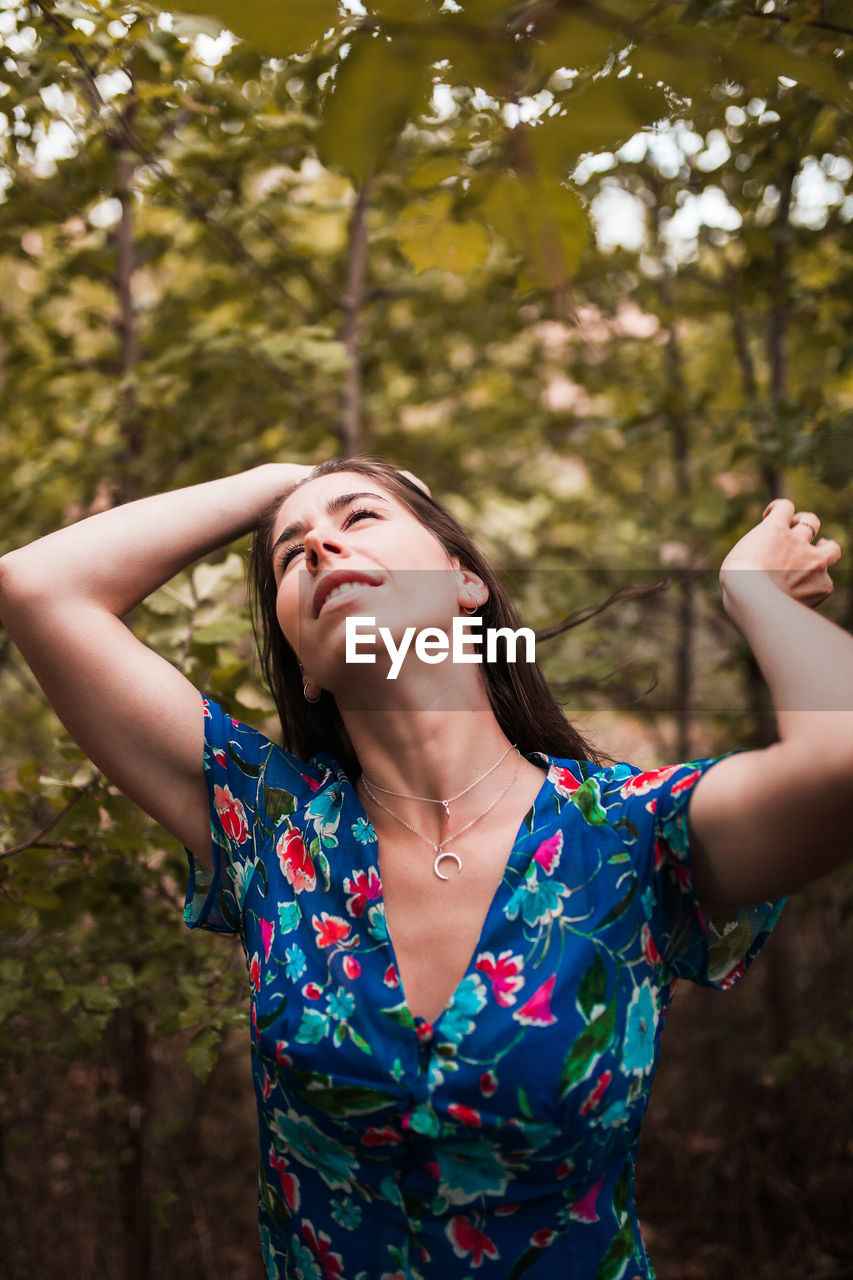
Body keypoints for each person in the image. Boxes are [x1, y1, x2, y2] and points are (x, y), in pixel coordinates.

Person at [0, 456, 851, 1280]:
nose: (321, 548)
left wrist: (756, 595)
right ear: (304, 667)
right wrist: (288, 482)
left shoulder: (631, 833)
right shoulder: (272, 832)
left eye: (360, 519)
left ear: (464, 582)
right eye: (292, 554)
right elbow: (39, 587)